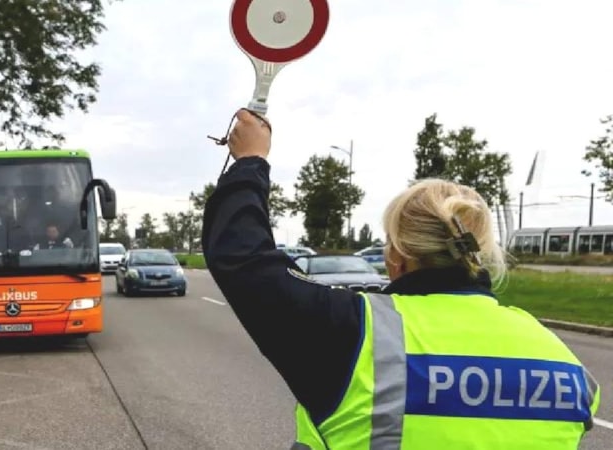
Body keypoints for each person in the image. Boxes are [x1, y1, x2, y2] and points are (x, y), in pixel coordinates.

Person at [201, 109, 601, 449]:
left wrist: (251, 160)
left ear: (398, 256)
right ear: (482, 252)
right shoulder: (564, 363)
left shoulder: (352, 331)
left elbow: (245, 259)